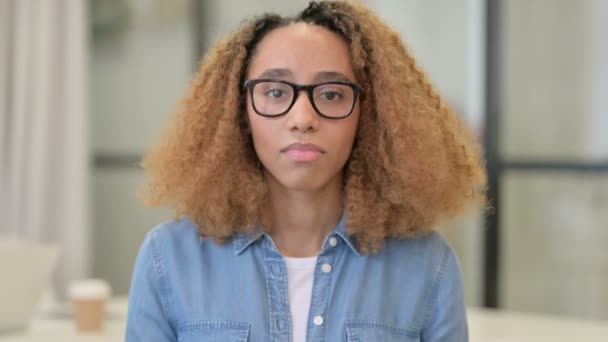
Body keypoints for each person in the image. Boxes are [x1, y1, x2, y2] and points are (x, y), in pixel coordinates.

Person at [125, 1, 487, 341]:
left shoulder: (427, 265)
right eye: (276, 92)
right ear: (240, 113)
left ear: (369, 116)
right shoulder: (169, 258)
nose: (302, 119)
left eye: (331, 94)